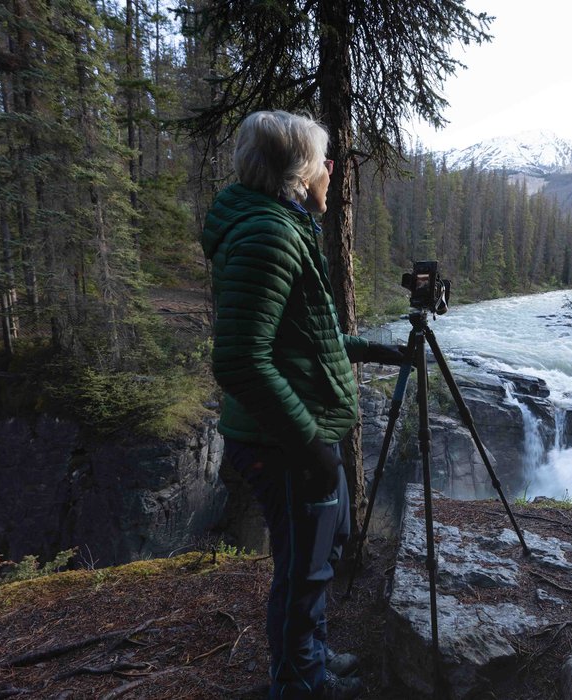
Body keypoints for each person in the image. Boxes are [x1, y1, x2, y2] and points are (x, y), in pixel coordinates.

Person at [202, 110, 404, 699]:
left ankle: (308, 657)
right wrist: (311, 444)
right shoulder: (268, 235)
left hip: (298, 435)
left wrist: (377, 350)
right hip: (286, 443)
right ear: (297, 172)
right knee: (303, 569)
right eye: (323, 160)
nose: (331, 170)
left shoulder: (281, 227)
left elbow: (306, 338)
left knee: (321, 552)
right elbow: (240, 360)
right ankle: (299, 683)